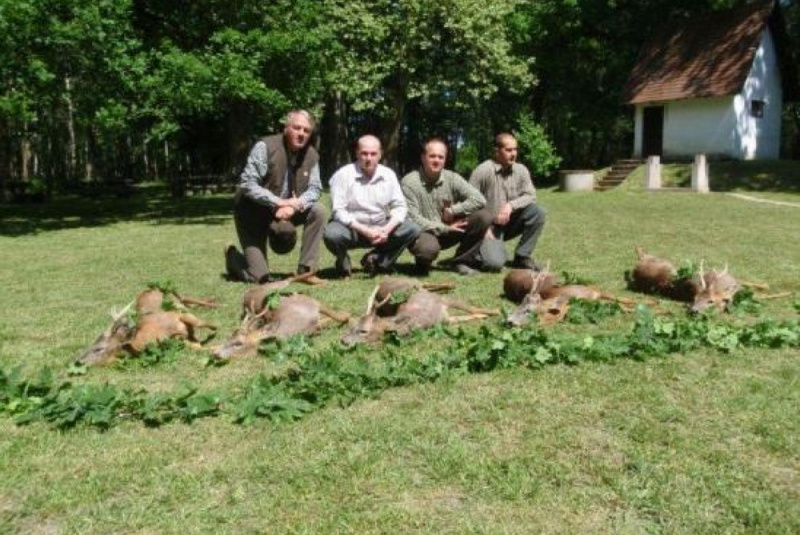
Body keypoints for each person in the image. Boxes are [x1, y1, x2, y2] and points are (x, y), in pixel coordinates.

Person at [225, 109, 326, 283]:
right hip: (252, 212)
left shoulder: (312, 155)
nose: (301, 133)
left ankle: (306, 271)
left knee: (319, 210)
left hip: (286, 212)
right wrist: (279, 202)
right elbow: (248, 184)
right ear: (286, 128)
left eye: (306, 130)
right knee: (260, 277)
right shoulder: (265, 147)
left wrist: (296, 205)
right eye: (297, 128)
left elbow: (315, 188)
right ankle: (232, 257)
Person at [324, 135, 420, 277]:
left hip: (380, 227)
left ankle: (377, 260)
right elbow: (338, 210)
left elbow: (400, 207)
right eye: (364, 153)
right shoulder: (343, 175)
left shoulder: (388, 175)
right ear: (357, 153)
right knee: (331, 234)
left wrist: (387, 230)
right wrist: (364, 230)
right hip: (352, 228)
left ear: (380, 155)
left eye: (373, 154)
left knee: (412, 229)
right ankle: (343, 263)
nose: (368, 158)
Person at [401, 138, 492, 276]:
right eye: (432, 156)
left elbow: (479, 199)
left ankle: (461, 261)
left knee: (484, 216)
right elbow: (412, 218)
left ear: (444, 160)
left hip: (451, 229)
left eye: (440, 157)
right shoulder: (409, 182)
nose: (436, 160)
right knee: (428, 250)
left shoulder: (452, 178)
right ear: (423, 158)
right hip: (425, 232)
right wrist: (444, 227)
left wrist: (454, 210)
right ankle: (422, 263)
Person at [469, 132, 546, 271]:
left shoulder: (521, 170)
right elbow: (468, 202)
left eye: (515, 149)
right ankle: (473, 254)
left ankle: (522, 256)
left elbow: (530, 195)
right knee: (494, 264)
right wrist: (483, 228)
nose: (513, 154)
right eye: (508, 150)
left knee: (538, 212)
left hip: (510, 222)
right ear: (496, 152)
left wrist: (511, 206)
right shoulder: (483, 171)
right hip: (489, 227)